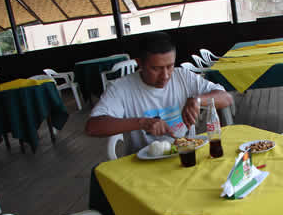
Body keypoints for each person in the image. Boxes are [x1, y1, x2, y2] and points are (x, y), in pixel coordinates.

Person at [85, 32, 233, 154]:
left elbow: (226, 98)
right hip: (142, 162)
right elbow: (93, 127)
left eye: (170, 66)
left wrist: (198, 100)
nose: (166, 75)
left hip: (183, 152)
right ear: (139, 63)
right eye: (156, 69)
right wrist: (142, 122)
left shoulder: (182, 76)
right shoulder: (121, 88)